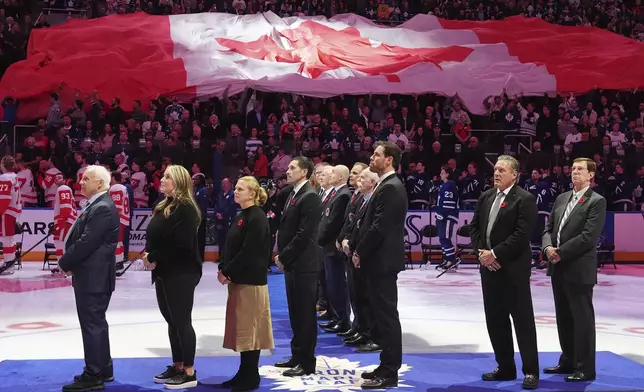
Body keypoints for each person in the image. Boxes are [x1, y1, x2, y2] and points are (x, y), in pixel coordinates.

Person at [469, 155, 540, 390]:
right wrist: (483, 254)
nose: (496, 173)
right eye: (495, 170)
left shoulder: (525, 199)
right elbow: (475, 227)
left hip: (513, 270)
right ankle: (505, 367)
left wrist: (495, 254)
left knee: (522, 321)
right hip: (488, 269)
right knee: (496, 320)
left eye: (501, 170)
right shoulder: (486, 196)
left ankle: (530, 371)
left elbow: (521, 236)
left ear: (514, 175)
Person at [541, 157, 607, 382]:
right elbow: (548, 228)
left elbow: (588, 237)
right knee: (564, 317)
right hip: (557, 267)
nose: (575, 172)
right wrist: (548, 247)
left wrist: (560, 252)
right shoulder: (561, 198)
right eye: (573, 169)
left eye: (580, 169)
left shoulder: (596, 201)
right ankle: (567, 360)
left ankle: (585, 367)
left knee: (582, 319)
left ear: (591, 175)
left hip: (578, 268)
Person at [350, 142, 408, 389]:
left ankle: (390, 370)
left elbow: (379, 226)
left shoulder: (391, 187)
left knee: (386, 316)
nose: (371, 157)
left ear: (389, 160)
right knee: (381, 314)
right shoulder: (386, 185)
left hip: (382, 261)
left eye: (377, 154)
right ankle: (386, 365)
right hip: (378, 260)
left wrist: (360, 251)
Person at [58, 165, 120, 392]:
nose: (80, 182)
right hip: (93, 276)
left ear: (100, 184)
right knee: (97, 323)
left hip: (94, 277)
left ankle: (93, 374)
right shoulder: (97, 205)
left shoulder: (102, 207)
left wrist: (65, 262)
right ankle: (104, 368)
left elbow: (86, 242)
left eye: (86, 179)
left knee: (92, 325)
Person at [143, 165, 202, 389]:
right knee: (171, 320)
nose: (163, 179)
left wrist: (154, 256)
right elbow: (158, 237)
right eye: (163, 174)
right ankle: (177, 365)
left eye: (168, 176)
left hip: (182, 271)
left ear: (179, 181)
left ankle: (189, 371)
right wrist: (149, 255)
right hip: (165, 270)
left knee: (182, 321)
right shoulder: (164, 205)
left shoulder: (186, 208)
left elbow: (181, 245)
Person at [218, 176, 275, 391]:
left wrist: (228, 271)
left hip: (250, 281)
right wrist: (223, 267)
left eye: (240, 189)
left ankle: (251, 375)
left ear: (252, 193)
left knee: (251, 331)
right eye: (236, 188)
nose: (236, 191)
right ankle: (244, 372)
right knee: (243, 330)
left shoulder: (257, 216)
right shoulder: (243, 215)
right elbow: (230, 245)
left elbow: (249, 251)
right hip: (239, 280)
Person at [273, 156, 321, 377]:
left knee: (305, 314)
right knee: (295, 312)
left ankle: (307, 361)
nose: (287, 170)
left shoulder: (309, 196)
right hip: (294, 263)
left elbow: (304, 234)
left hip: (304, 263)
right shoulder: (293, 193)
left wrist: (284, 255)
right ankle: (297, 354)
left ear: (304, 172)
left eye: (292, 168)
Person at [342, 168, 378, 352]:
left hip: (366, 255)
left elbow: (370, 229)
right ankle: (363, 330)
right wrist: (347, 240)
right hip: (355, 251)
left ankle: (371, 334)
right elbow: (352, 224)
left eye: (362, 177)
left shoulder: (372, 200)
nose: (358, 180)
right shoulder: (362, 199)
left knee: (368, 298)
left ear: (373, 182)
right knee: (358, 295)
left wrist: (358, 250)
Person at [318, 165, 352, 334]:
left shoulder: (343, 195)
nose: (329, 176)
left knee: (338, 285)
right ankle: (335, 317)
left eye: (333, 173)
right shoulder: (335, 193)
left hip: (333, 247)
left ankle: (342, 319)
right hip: (327, 246)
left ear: (340, 177)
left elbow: (333, 223)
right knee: (331, 284)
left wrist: (319, 239)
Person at [0, 155, 22, 275]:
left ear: (3, 164)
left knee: (6, 238)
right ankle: (10, 263)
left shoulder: (5, 177)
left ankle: (8, 263)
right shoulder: (14, 176)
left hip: (6, 211)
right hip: (12, 211)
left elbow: (4, 198)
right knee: (10, 237)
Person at [435, 166, 460, 271]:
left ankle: (451, 260)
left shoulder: (449, 186)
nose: (440, 174)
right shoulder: (444, 185)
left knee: (445, 238)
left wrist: (442, 214)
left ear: (447, 174)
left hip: (447, 217)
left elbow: (449, 203)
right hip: (443, 216)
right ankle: (446, 259)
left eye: (442, 172)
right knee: (442, 238)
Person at [52, 174, 77, 274]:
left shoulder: (63, 188)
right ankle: (61, 266)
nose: (57, 179)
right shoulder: (63, 189)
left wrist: (62, 220)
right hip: (65, 220)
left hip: (65, 221)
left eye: (60, 177)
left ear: (65, 179)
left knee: (62, 244)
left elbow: (66, 206)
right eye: (56, 178)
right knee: (59, 244)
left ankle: (65, 268)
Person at [109, 171, 131, 267]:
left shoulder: (115, 188)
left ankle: (117, 262)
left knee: (116, 241)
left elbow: (116, 206)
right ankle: (120, 260)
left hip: (118, 218)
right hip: (123, 218)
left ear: (113, 178)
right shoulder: (123, 187)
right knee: (120, 241)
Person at [193, 173, 209, 262]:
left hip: (200, 218)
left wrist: (199, 216)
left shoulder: (203, 191)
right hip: (195, 218)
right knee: (195, 238)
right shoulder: (195, 190)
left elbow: (202, 206)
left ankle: (201, 257)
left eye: (196, 179)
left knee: (200, 238)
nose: (194, 181)